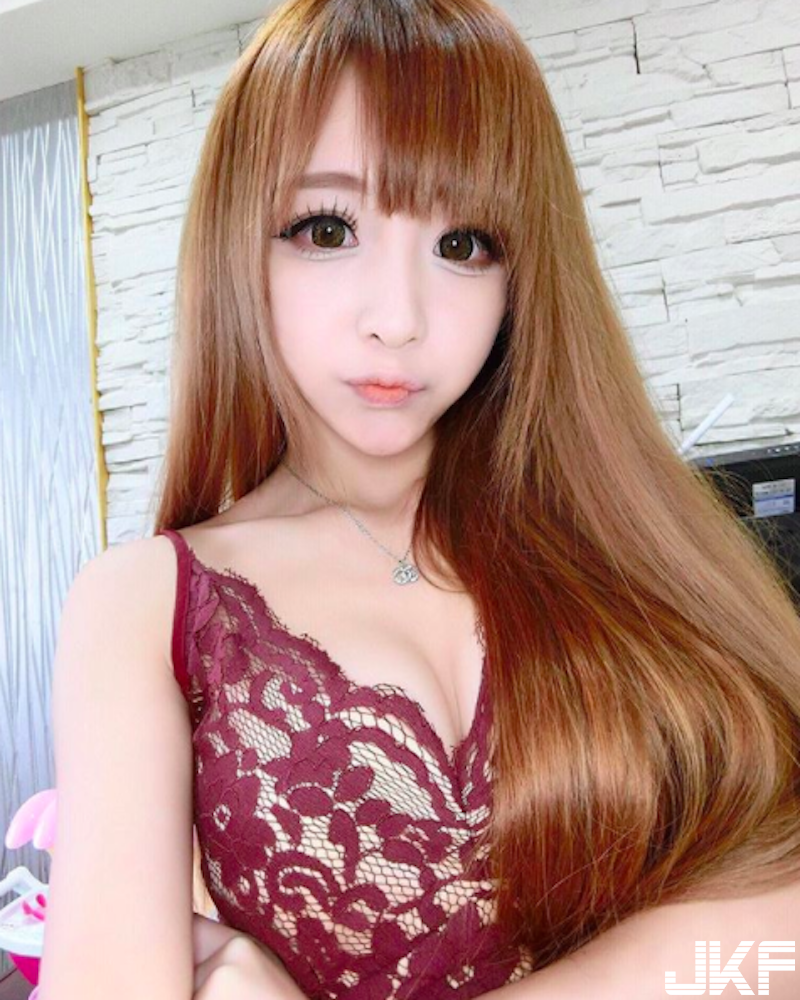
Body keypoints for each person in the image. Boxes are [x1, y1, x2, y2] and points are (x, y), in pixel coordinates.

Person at [40, 1, 800, 999]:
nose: (397, 319)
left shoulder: (636, 541)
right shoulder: (150, 604)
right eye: (326, 229)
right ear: (238, 245)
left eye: (464, 243)